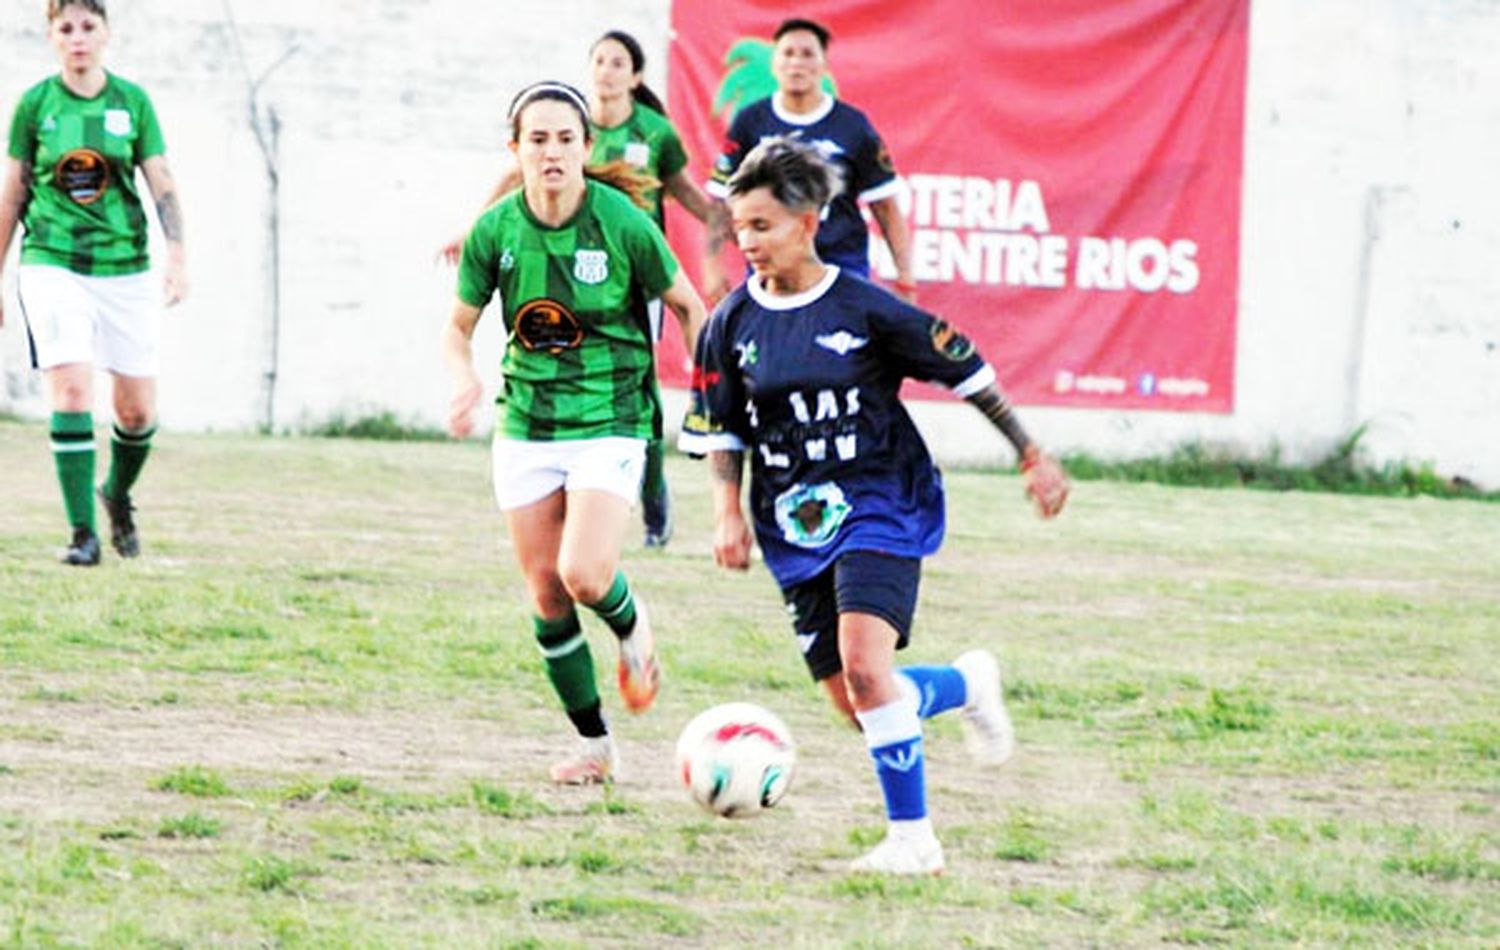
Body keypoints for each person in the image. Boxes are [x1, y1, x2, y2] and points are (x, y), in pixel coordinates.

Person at [681, 137, 1069, 875]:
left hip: (881, 501)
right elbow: (723, 424)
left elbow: (967, 369)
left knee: (867, 670)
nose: (747, 242)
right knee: (857, 700)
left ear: (809, 220)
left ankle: (913, 842)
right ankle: (963, 685)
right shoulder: (731, 323)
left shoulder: (863, 307)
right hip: (795, 523)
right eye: (740, 227)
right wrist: (725, 510)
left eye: (763, 225)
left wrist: (1029, 449)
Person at [441, 81, 709, 786]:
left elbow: (688, 304)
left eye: (565, 139)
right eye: (538, 140)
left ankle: (631, 627)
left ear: (587, 148)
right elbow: (457, 327)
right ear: (516, 150)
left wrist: (713, 389)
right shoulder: (496, 230)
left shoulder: (621, 221)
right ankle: (596, 748)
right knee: (546, 595)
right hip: (526, 422)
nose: (552, 152)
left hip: (610, 417)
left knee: (583, 574)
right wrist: (461, 378)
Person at [441, 31, 716, 549]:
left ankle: (649, 485)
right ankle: (584, 483)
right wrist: (471, 226)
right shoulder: (555, 121)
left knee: (632, 374)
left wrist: (724, 229)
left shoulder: (653, 135)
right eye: (600, 61)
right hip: (551, 273)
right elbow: (510, 181)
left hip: (628, 272)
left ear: (635, 76)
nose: (607, 70)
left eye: (618, 63)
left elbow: (683, 194)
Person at [0, 0, 188, 566]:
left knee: (136, 414)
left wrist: (177, 254)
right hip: (51, 261)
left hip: (124, 268)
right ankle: (83, 534)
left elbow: (161, 181)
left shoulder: (132, 102)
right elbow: (12, 192)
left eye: (88, 26)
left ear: (106, 33)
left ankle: (117, 494)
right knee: (73, 390)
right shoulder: (35, 106)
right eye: (66, 28)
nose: (78, 38)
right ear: (52, 38)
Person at [705, 18, 915, 303]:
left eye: (807, 54)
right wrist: (711, 267)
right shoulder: (751, 122)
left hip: (842, 264)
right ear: (774, 62)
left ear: (823, 64)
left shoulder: (852, 125)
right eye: (788, 53)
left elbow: (885, 206)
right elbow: (720, 201)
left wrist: (905, 278)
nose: (797, 63)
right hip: (771, 267)